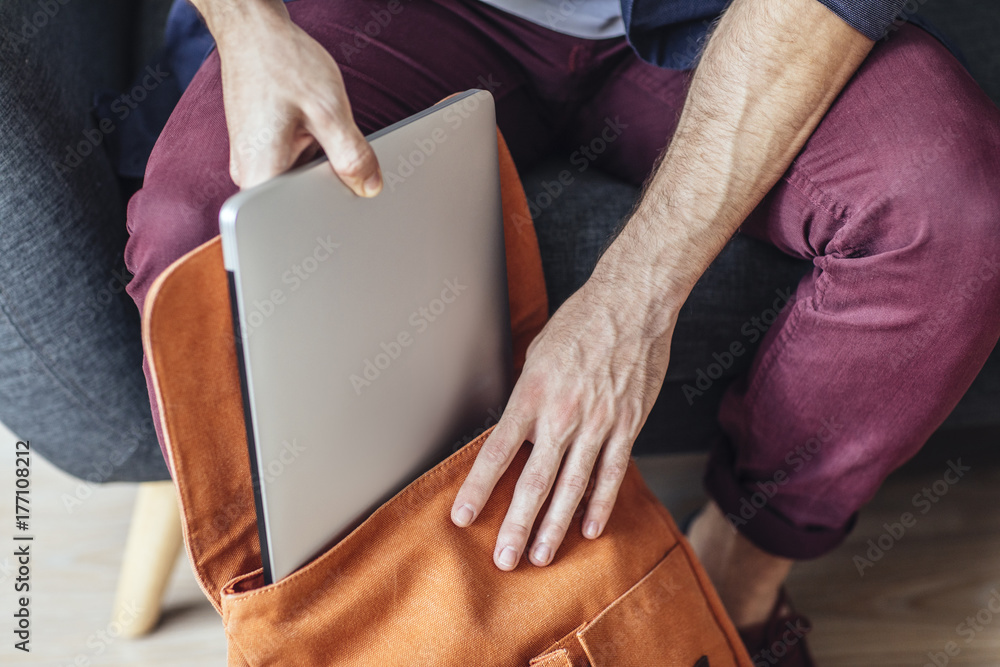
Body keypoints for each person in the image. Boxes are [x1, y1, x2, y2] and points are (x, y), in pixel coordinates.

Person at [123, 0, 1000, 663]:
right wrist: (248, 27)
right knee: (198, 246)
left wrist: (635, 299)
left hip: (725, 22)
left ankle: (731, 586)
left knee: (952, 211)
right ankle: (355, 635)